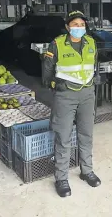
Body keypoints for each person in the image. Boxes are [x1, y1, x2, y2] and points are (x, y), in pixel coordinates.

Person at [44, 10, 101, 198]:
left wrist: (95, 81)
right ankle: (61, 179)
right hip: (65, 95)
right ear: (68, 27)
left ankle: (87, 171)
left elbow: (94, 66)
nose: (79, 27)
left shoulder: (91, 42)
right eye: (75, 24)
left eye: (82, 24)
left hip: (87, 94)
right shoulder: (57, 43)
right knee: (63, 136)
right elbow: (47, 70)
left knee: (86, 134)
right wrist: (55, 85)